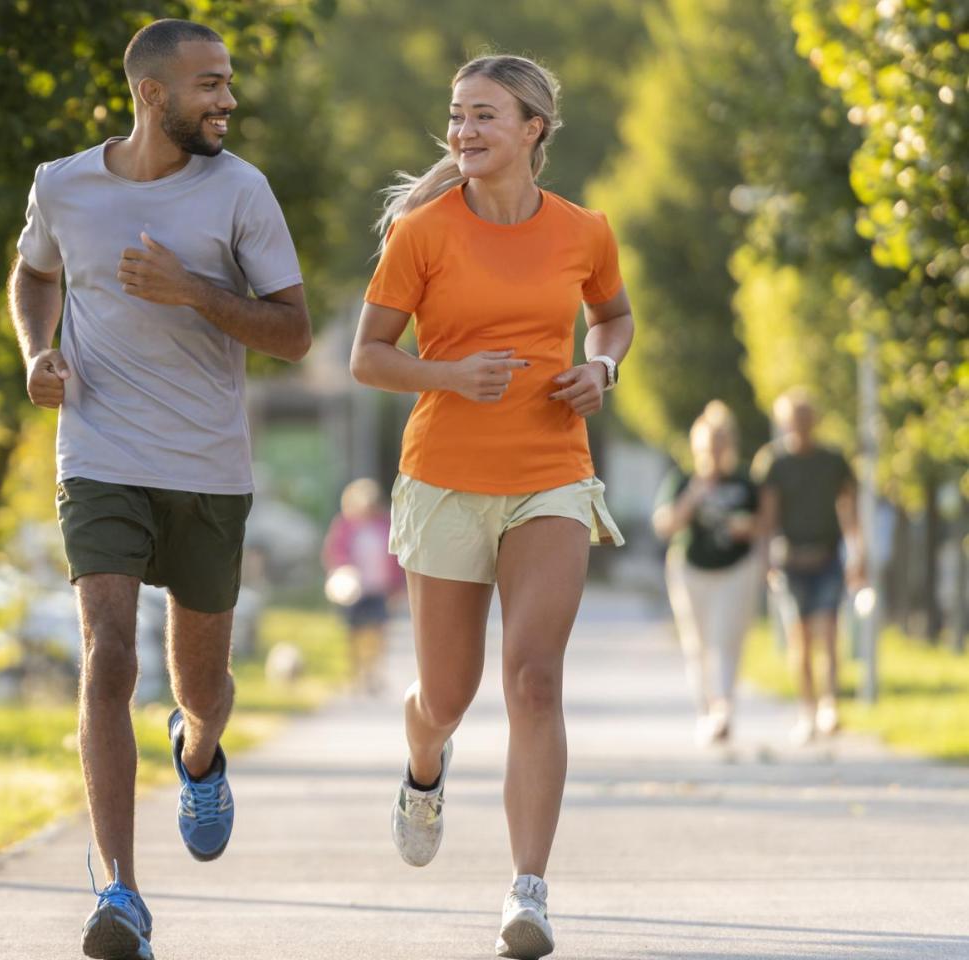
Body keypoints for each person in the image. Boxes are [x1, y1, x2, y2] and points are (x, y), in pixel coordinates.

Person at [9, 18, 310, 960]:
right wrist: (37, 353)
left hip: (206, 467)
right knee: (105, 655)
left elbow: (293, 334)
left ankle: (201, 751)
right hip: (97, 451)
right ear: (151, 94)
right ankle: (121, 896)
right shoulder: (64, 185)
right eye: (209, 85)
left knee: (201, 685)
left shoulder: (241, 191)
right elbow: (31, 274)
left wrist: (195, 294)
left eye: (228, 83)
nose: (227, 99)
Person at [348, 54, 633, 960]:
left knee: (534, 679)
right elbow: (367, 356)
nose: (465, 131)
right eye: (458, 116)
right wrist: (449, 375)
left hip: (551, 470)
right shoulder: (425, 233)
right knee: (449, 693)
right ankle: (422, 767)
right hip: (444, 479)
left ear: (533, 129)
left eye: (485, 116)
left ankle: (528, 891)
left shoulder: (584, 230)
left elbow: (613, 316)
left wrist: (602, 368)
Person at [754, 387, 865, 743]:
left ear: (813, 421)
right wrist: (765, 560)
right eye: (792, 421)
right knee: (799, 640)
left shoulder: (833, 460)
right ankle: (807, 711)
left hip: (828, 558)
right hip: (791, 562)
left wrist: (857, 554)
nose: (799, 427)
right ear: (784, 423)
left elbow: (849, 509)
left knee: (830, 633)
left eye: (805, 419)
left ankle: (830, 704)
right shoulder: (774, 462)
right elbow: (768, 516)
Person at [652, 400, 762, 745]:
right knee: (696, 643)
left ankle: (723, 711)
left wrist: (747, 527)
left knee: (727, 639)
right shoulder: (683, 479)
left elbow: (764, 522)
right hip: (690, 570)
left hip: (736, 570)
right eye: (708, 445)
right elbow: (664, 525)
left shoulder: (745, 482)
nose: (715, 452)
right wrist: (693, 498)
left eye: (720, 445)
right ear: (698, 446)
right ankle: (705, 711)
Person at [322, 477, 407, 695]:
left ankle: (374, 673)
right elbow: (334, 553)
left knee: (378, 632)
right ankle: (357, 673)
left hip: (379, 588)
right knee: (355, 632)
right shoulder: (344, 527)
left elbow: (396, 557)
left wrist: (398, 587)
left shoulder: (385, 525)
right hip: (353, 590)